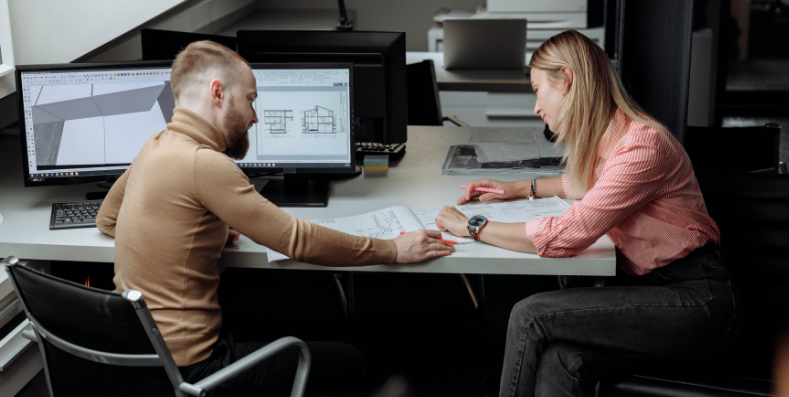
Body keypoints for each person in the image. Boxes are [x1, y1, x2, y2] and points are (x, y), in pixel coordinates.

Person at [96, 40, 454, 396]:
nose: (254, 116)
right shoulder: (204, 164)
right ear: (218, 93)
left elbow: (107, 219)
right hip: (195, 371)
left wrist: (199, 231)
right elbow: (297, 239)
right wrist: (392, 249)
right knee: (353, 358)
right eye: (251, 99)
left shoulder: (155, 144)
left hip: (140, 358)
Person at [435, 30, 742, 397]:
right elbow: (579, 184)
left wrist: (473, 226)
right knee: (561, 359)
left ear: (565, 79)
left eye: (537, 90)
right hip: (652, 293)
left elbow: (567, 235)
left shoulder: (643, 144)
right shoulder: (614, 139)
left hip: (698, 302)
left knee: (529, 315)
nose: (536, 107)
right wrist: (518, 188)